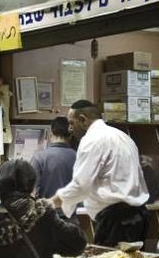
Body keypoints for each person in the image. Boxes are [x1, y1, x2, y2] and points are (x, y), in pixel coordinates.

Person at [52, 100, 149, 246]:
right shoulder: (122, 136)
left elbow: (81, 186)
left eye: (72, 123)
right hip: (139, 215)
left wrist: (51, 203)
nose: (70, 129)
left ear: (83, 120)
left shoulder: (92, 140)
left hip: (116, 219)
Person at [29, 116, 76, 199]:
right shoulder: (79, 157)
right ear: (71, 135)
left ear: (51, 134)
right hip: (73, 210)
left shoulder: (38, 158)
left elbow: (32, 192)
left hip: (47, 209)